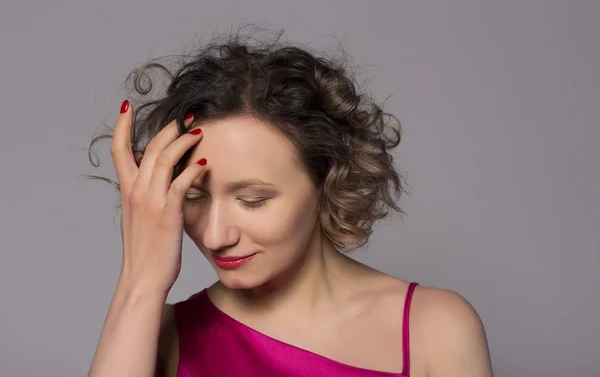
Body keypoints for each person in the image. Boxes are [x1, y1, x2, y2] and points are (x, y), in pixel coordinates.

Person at [86, 30, 493, 377]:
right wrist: (140, 283)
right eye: (193, 197)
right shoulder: (160, 336)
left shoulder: (434, 328)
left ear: (327, 178)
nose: (215, 235)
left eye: (252, 200)